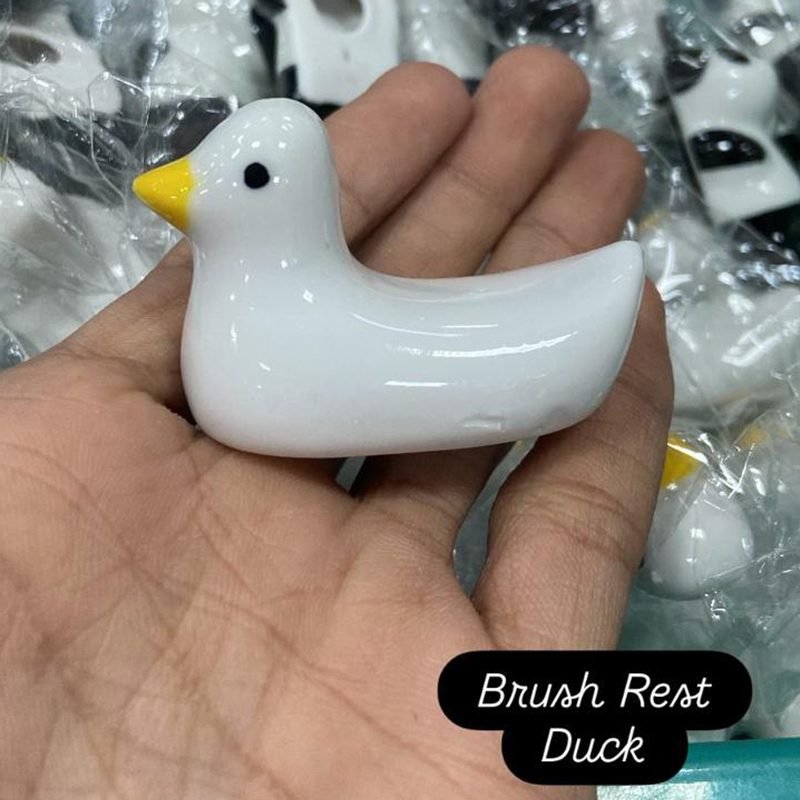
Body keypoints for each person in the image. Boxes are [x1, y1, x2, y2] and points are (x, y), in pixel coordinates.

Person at [0, 48, 672, 799]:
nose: (179, 183)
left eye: (250, 177)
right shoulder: (252, 350)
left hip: (544, 351)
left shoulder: (259, 355)